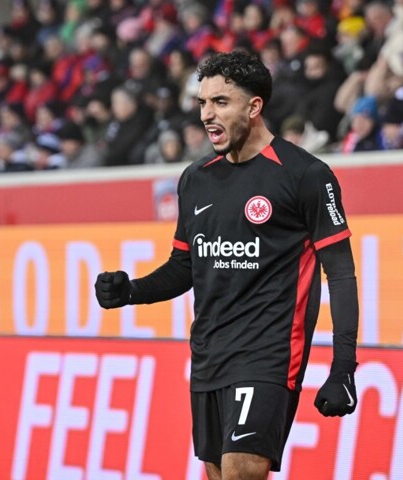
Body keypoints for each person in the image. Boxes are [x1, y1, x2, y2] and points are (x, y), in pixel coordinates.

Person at [95, 50, 359, 479]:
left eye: (220, 102)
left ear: (254, 107)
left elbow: (342, 275)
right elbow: (185, 266)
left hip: (269, 354)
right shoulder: (195, 179)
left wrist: (343, 367)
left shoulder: (305, 175)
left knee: (242, 472)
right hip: (209, 355)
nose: (206, 114)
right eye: (203, 103)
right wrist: (131, 291)